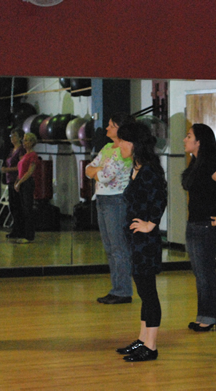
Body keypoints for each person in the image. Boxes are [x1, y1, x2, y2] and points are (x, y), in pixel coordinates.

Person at [114, 122, 167, 362]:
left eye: (122, 141)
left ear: (134, 144)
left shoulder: (150, 170)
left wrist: (151, 224)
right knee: (144, 292)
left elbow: (159, 198)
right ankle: (142, 339)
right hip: (137, 240)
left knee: (148, 292)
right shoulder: (138, 167)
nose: (118, 146)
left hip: (146, 241)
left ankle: (151, 345)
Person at [182, 123, 216, 331]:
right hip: (196, 223)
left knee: (204, 272)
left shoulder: (211, 164)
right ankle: (208, 315)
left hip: (206, 225)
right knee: (201, 272)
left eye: (189, 136)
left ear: (199, 141)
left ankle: (209, 317)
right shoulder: (196, 163)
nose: (185, 139)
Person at [86, 113, 135, 304]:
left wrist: (97, 172)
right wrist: (97, 171)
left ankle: (123, 291)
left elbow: (105, 176)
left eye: (110, 125)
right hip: (103, 200)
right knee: (109, 248)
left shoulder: (125, 150)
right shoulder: (107, 147)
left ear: (120, 129)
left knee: (118, 248)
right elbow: (89, 168)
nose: (106, 128)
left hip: (117, 201)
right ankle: (117, 288)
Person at [0, 127, 26, 240]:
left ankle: (20, 230)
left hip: (16, 179)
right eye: (11, 136)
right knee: (12, 205)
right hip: (9, 179)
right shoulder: (11, 150)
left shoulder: (21, 150)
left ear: (20, 137)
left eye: (14, 136)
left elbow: (21, 167)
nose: (12, 138)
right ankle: (15, 229)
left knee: (17, 205)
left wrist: (8, 170)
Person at [14, 132, 39, 244]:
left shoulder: (33, 155)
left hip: (27, 183)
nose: (24, 143)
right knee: (23, 209)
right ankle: (23, 233)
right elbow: (20, 171)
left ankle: (29, 235)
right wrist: (17, 181)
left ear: (32, 142)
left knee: (28, 209)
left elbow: (30, 171)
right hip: (22, 182)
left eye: (27, 140)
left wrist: (20, 182)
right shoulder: (24, 155)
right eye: (24, 140)